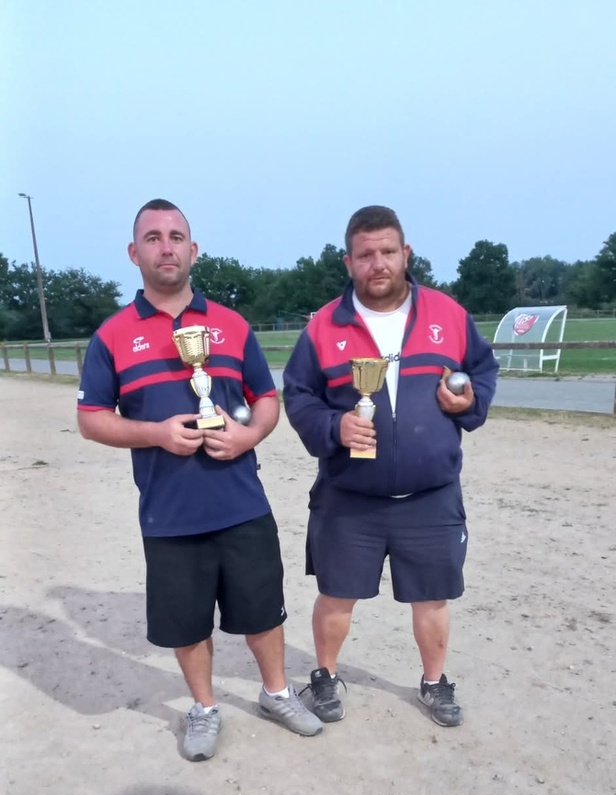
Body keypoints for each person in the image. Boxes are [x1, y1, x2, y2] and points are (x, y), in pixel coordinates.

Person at [77, 198, 321, 759]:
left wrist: (248, 436)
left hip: (242, 504)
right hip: (169, 512)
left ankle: (277, 693)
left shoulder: (231, 325)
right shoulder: (113, 335)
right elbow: (91, 420)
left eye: (176, 236)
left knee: (263, 611)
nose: (167, 246)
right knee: (188, 624)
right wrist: (156, 434)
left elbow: (266, 398)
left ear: (194, 249)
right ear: (134, 253)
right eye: (154, 237)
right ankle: (205, 708)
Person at [283, 205, 499, 728]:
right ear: (348, 261)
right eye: (365, 254)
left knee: (432, 598)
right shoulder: (323, 328)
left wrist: (466, 402)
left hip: (430, 495)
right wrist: (334, 429)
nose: (377, 263)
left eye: (386, 251)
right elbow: (299, 395)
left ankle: (433, 683)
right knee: (337, 596)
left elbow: (483, 371)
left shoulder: (448, 313)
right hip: (350, 496)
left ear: (406, 253)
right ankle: (326, 677)